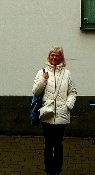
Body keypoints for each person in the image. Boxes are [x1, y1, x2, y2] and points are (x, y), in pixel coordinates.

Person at [32, 47, 77, 175]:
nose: (54, 57)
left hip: (61, 114)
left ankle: (57, 170)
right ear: (49, 56)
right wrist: (43, 80)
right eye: (52, 55)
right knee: (48, 143)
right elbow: (35, 92)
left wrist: (68, 105)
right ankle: (48, 169)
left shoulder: (67, 74)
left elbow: (72, 92)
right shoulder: (42, 72)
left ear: (61, 58)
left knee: (58, 144)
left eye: (57, 55)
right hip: (47, 113)